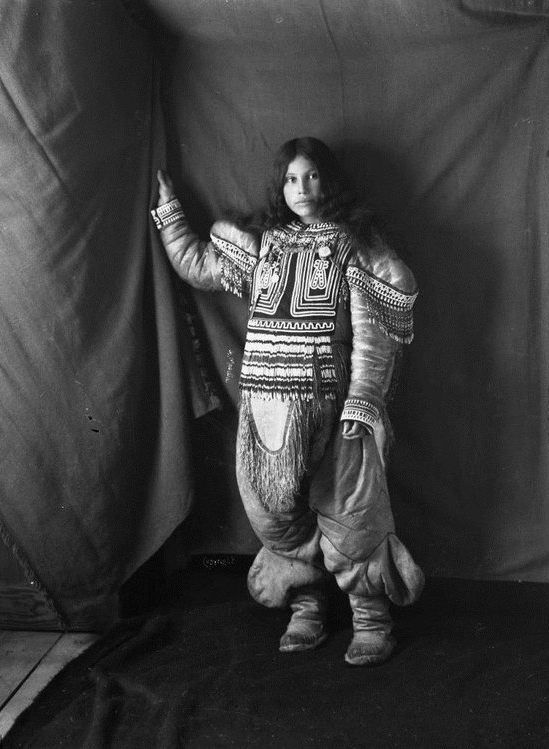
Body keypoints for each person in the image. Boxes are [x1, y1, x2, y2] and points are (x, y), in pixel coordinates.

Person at [151, 137, 424, 666]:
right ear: (281, 186)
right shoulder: (265, 248)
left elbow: (372, 336)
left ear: (331, 180)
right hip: (266, 411)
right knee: (276, 513)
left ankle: (370, 619)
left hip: (336, 410)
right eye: (293, 179)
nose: (303, 189)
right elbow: (199, 265)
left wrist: (363, 401)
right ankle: (307, 605)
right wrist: (169, 212)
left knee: (352, 513)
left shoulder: (355, 246)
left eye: (314, 177)